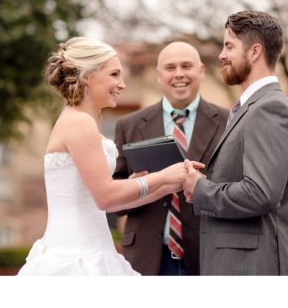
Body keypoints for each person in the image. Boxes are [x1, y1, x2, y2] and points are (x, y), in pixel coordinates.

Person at [17, 37, 188, 276]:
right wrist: (161, 177)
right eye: (114, 74)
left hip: (93, 249)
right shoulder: (79, 122)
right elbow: (105, 197)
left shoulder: (79, 120)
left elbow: (103, 198)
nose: (122, 84)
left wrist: (164, 186)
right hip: (76, 259)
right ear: (88, 76)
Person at [183, 10, 288, 275]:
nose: (221, 55)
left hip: (254, 270)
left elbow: (260, 194)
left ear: (255, 52)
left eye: (229, 46)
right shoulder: (251, 107)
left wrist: (201, 189)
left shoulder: (270, 108)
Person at [113, 41, 228, 275]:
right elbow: (113, 201)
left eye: (186, 66)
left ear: (201, 71)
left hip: (207, 253)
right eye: (170, 67)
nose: (179, 74)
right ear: (158, 75)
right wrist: (136, 185)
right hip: (146, 256)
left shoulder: (229, 122)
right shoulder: (129, 125)